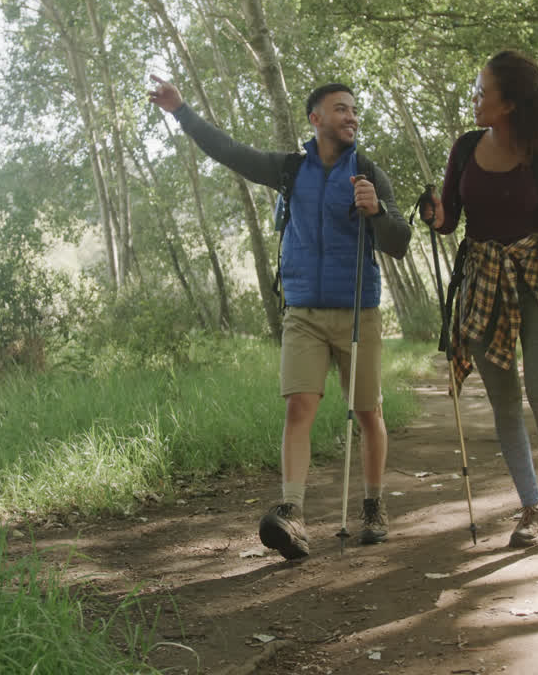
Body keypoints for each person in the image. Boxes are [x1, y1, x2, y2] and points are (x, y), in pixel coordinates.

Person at [148, 75, 411, 560]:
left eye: (354, 110)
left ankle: (374, 506)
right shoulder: (290, 169)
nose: (351, 117)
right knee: (298, 409)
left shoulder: (368, 173)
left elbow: (399, 242)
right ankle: (292, 513)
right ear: (315, 119)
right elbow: (229, 151)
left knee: (368, 413)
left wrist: (377, 211)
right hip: (303, 312)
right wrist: (180, 110)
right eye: (341, 109)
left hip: (358, 311)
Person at [422, 50, 538, 547]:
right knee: (504, 403)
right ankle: (531, 509)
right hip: (482, 284)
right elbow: (449, 220)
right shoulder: (465, 148)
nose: (474, 99)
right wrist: (435, 214)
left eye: (483, 92)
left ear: (510, 104)